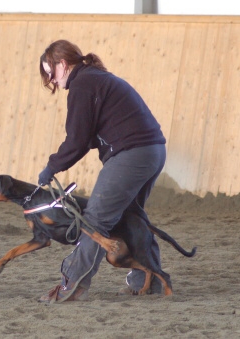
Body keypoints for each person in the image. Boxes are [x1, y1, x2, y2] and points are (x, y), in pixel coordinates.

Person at [37, 40, 167, 303]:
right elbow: (85, 138)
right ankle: (148, 282)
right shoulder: (96, 79)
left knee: (94, 220)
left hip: (131, 154)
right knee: (132, 218)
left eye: (50, 72)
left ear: (63, 65)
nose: (52, 80)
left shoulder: (83, 84)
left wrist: (52, 166)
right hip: (153, 151)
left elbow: (77, 139)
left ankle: (72, 286)